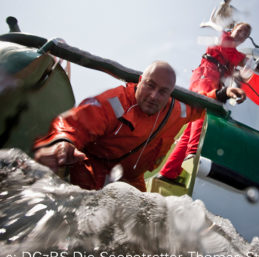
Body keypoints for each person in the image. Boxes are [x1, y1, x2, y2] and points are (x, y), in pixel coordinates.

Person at [33, 61, 245, 192]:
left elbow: (199, 103)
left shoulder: (176, 110)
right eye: (150, 85)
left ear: (170, 94)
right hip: (92, 167)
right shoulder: (115, 101)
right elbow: (74, 124)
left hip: (133, 180)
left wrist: (224, 93)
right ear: (140, 80)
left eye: (163, 91)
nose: (154, 96)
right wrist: (63, 142)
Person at [159, 23, 251, 181]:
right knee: (203, 110)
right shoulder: (226, 39)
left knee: (190, 128)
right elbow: (238, 58)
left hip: (210, 79)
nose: (242, 34)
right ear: (233, 29)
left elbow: (237, 68)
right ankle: (193, 156)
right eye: (240, 30)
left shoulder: (232, 55)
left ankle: (168, 173)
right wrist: (249, 62)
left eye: (246, 34)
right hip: (206, 75)